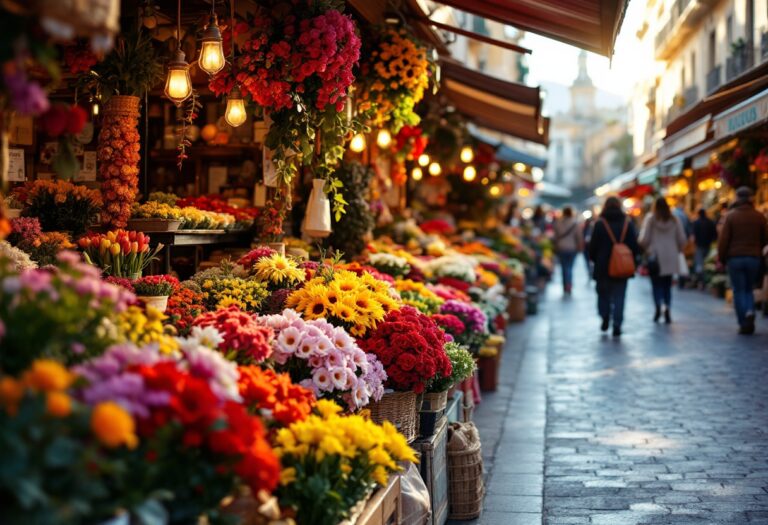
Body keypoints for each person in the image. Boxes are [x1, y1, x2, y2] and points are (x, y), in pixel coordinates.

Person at [717, 187, 768, 335]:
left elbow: (723, 240)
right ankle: (750, 310)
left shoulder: (731, 216)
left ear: (737, 198)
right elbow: (765, 238)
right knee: (748, 288)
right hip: (754, 258)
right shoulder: (759, 216)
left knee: (739, 290)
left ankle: (743, 322)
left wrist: (721, 258)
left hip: (735, 258)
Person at [589, 196, 640, 337]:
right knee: (619, 296)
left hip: (602, 266)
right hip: (622, 268)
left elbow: (592, 247)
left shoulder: (599, 224)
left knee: (603, 294)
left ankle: (605, 316)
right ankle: (617, 323)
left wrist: (595, 260)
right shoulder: (627, 224)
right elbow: (634, 247)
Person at [639, 197, 686, 323]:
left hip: (655, 257)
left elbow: (644, 239)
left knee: (656, 285)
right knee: (667, 285)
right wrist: (678, 249)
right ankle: (667, 307)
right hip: (671, 256)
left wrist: (646, 249)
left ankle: (658, 306)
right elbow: (682, 238)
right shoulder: (674, 219)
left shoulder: (651, 219)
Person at [553, 206, 584, 295]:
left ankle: (565, 285)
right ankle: (569, 284)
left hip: (561, 247)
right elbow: (579, 237)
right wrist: (580, 247)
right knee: (570, 267)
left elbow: (555, 236)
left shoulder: (558, 223)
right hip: (572, 248)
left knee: (564, 267)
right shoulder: (575, 223)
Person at [692, 208, 718, 286]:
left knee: (699, 264)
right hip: (708, 245)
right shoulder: (710, 222)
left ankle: (700, 280)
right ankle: (705, 281)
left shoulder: (696, 223)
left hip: (699, 246)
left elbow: (694, 235)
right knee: (707, 263)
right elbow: (715, 234)